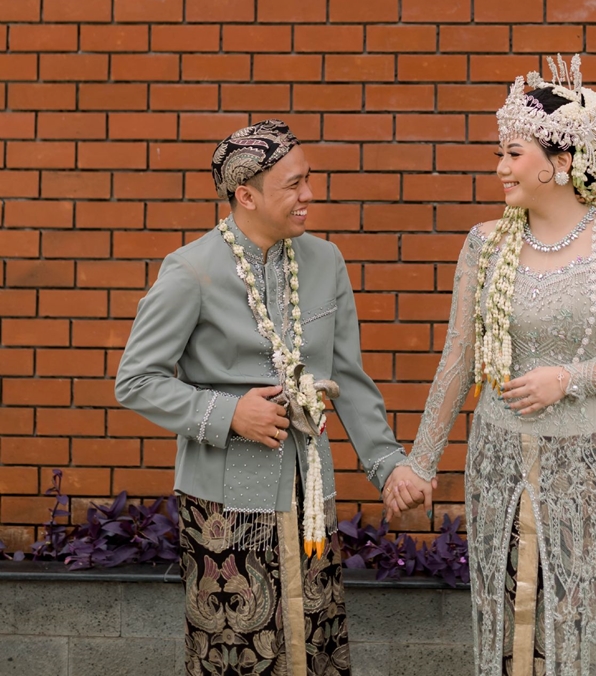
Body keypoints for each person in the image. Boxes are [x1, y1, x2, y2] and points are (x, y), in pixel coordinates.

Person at [383, 56, 596, 676]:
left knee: (582, 611)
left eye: (514, 154)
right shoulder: (484, 243)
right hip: (500, 457)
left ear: (562, 162)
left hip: (595, 461)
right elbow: (459, 357)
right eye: (501, 153)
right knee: (507, 604)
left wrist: (568, 379)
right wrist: (421, 461)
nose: (500, 167)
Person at [116, 120, 410, 676]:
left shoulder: (325, 261)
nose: (309, 195)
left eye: (308, 179)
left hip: (310, 492)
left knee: (315, 643)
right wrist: (230, 414)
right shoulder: (191, 270)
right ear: (245, 195)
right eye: (293, 185)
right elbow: (136, 379)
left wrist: (388, 464)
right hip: (223, 504)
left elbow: (348, 377)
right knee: (239, 654)